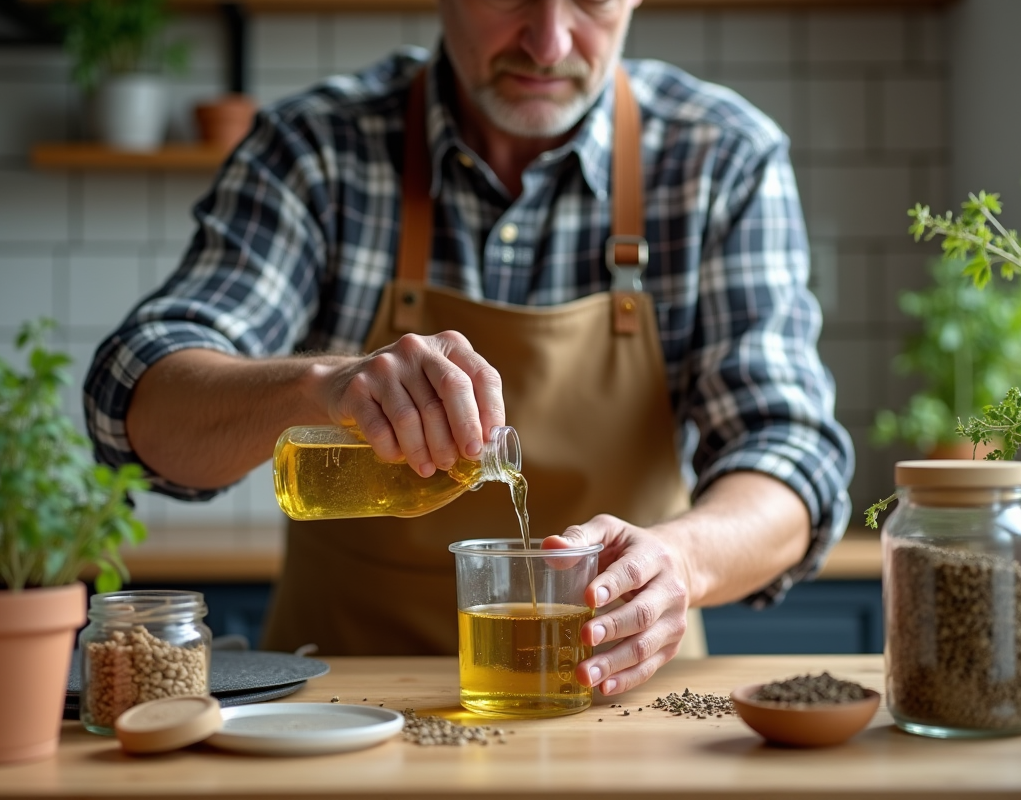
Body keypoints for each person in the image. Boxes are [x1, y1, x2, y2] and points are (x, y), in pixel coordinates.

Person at [84, 0, 853, 696]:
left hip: (618, 710)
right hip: (340, 712)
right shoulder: (318, 149)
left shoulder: (718, 158)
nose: (549, 41)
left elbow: (790, 455)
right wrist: (318, 386)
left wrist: (681, 560)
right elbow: (137, 403)